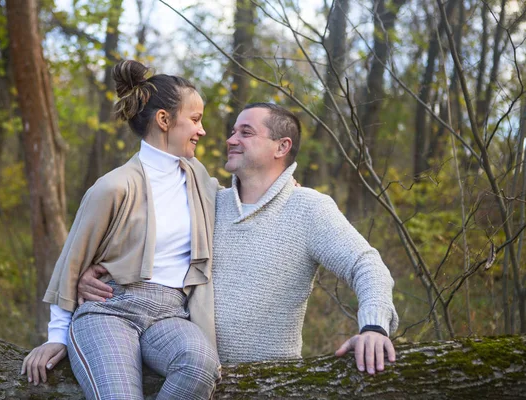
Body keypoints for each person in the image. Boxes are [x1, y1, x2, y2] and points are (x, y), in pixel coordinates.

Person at [79, 102, 399, 375]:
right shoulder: (206, 201)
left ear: (281, 147)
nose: (231, 139)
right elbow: (140, 242)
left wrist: (373, 326)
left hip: (270, 381)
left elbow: (365, 265)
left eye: (246, 133)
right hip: (185, 369)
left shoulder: (308, 208)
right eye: (233, 131)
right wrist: (93, 274)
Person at [21, 60, 221, 400]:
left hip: (170, 315)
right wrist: (57, 334)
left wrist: (281, 185)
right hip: (110, 310)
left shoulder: (198, 178)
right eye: (195, 119)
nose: (202, 131)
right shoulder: (113, 186)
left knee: (200, 364)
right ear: (164, 120)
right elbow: (73, 260)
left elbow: (236, 201)